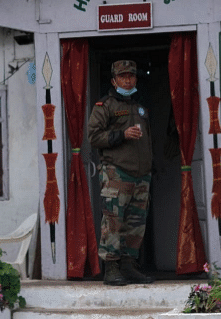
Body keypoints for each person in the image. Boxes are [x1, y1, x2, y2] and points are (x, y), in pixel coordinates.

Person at [87, 60, 154, 286]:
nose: (128, 80)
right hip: (117, 173)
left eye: (131, 76)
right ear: (114, 81)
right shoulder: (104, 106)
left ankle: (129, 265)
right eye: (123, 76)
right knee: (113, 222)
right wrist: (122, 135)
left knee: (136, 223)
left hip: (141, 176)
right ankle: (112, 268)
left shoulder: (140, 108)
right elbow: (94, 137)